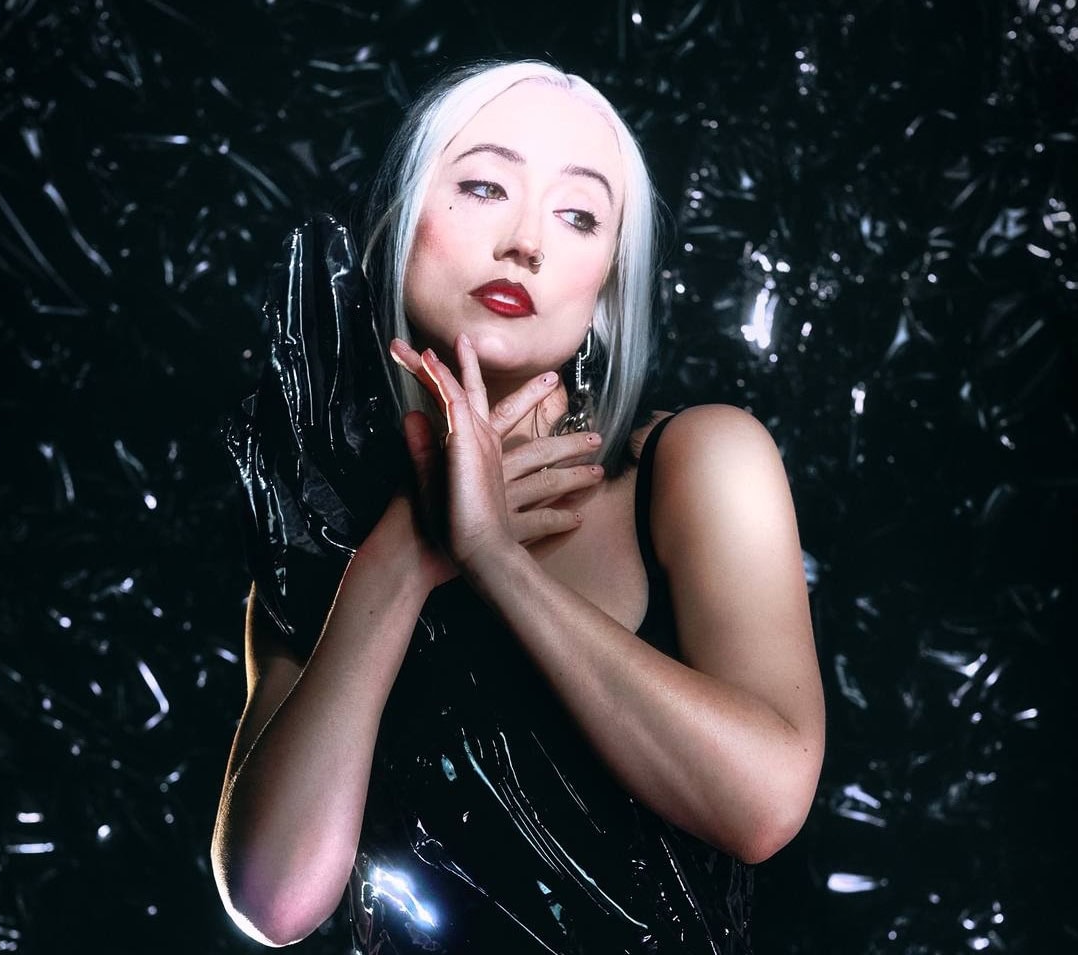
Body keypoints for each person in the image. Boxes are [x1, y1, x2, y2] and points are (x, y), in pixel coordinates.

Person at [210, 59, 824, 953]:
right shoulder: (320, 533)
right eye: (485, 187)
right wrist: (401, 559)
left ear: (604, 290)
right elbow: (276, 898)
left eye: (579, 215)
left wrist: (495, 557)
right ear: (400, 225)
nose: (527, 242)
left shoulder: (698, 462)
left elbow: (763, 806)